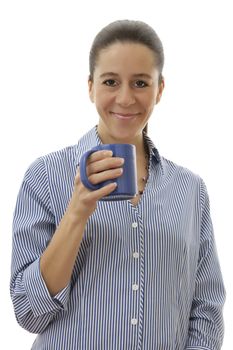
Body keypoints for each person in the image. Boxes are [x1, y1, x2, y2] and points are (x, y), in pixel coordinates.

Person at [10, 20, 226, 349]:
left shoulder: (191, 191)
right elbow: (29, 311)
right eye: (111, 81)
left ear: (160, 89)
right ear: (90, 87)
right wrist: (77, 213)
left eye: (140, 83)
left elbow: (207, 309)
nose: (125, 98)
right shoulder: (45, 176)